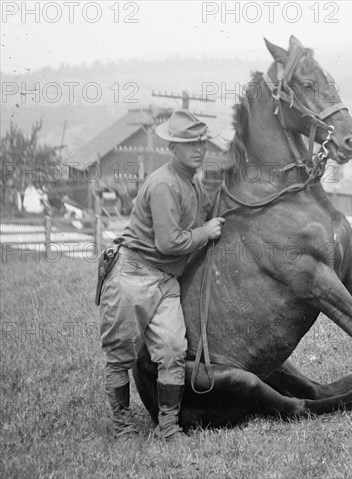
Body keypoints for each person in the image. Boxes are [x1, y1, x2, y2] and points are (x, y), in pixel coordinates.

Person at [98, 110, 225, 441]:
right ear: (173, 146)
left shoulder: (191, 182)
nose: (198, 149)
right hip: (133, 273)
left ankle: (167, 426)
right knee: (120, 355)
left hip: (166, 279)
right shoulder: (165, 184)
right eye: (189, 143)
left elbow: (196, 221)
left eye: (201, 142)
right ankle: (122, 425)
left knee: (172, 350)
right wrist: (206, 232)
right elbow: (169, 242)